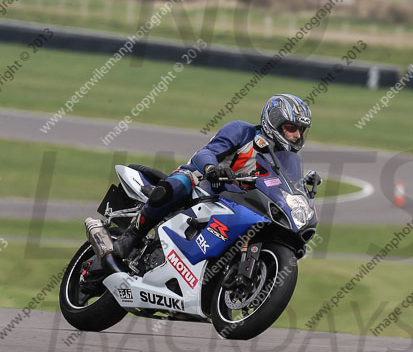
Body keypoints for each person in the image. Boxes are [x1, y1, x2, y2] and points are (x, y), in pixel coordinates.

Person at [113, 93, 312, 260]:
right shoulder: (242, 131)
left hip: (241, 205)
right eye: (291, 128)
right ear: (274, 122)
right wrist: (211, 168)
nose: (297, 136)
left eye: (301, 131)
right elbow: (205, 153)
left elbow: (286, 190)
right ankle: (133, 234)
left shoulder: (286, 160)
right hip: (204, 186)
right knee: (180, 184)